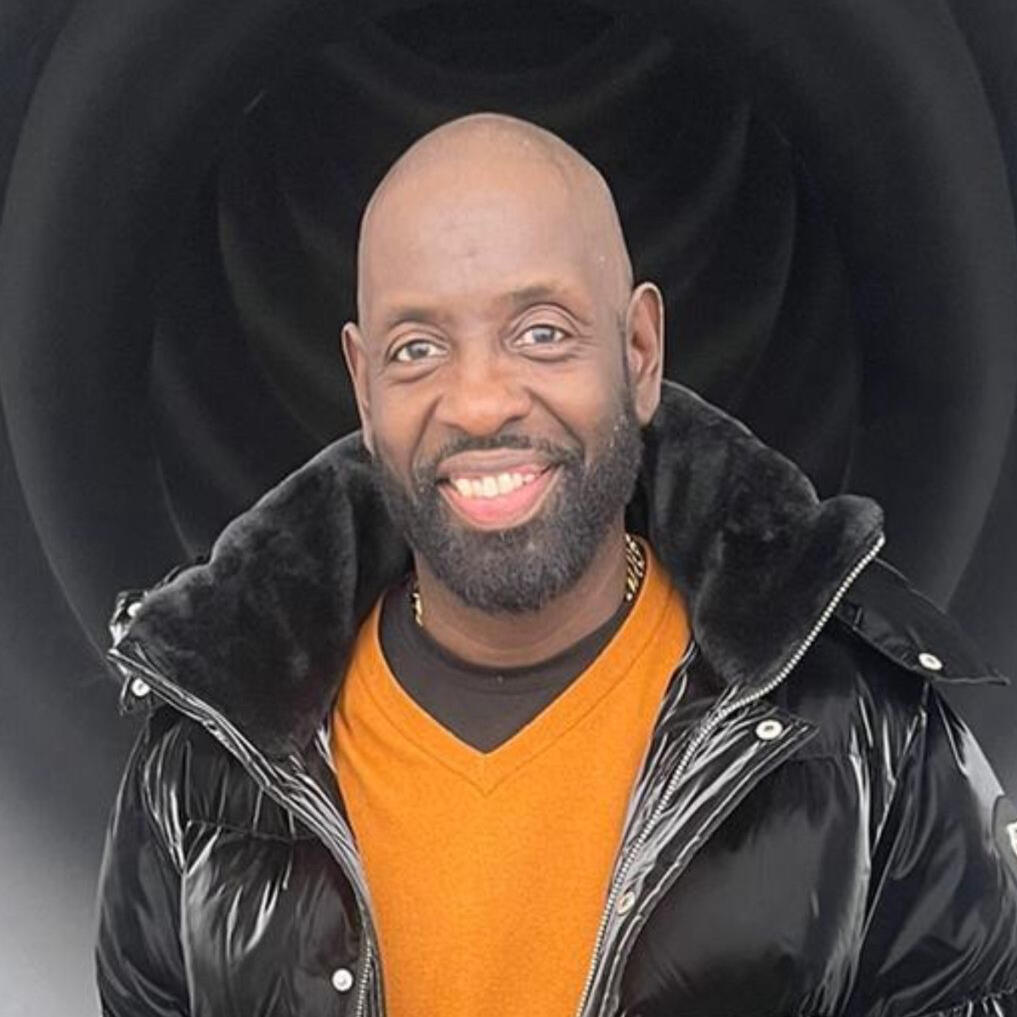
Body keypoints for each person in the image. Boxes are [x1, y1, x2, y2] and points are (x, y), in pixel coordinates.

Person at [95, 112, 1017, 1017]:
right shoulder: (210, 752)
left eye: (540, 331)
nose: (479, 401)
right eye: (417, 349)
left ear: (638, 351)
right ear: (364, 388)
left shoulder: (863, 726)